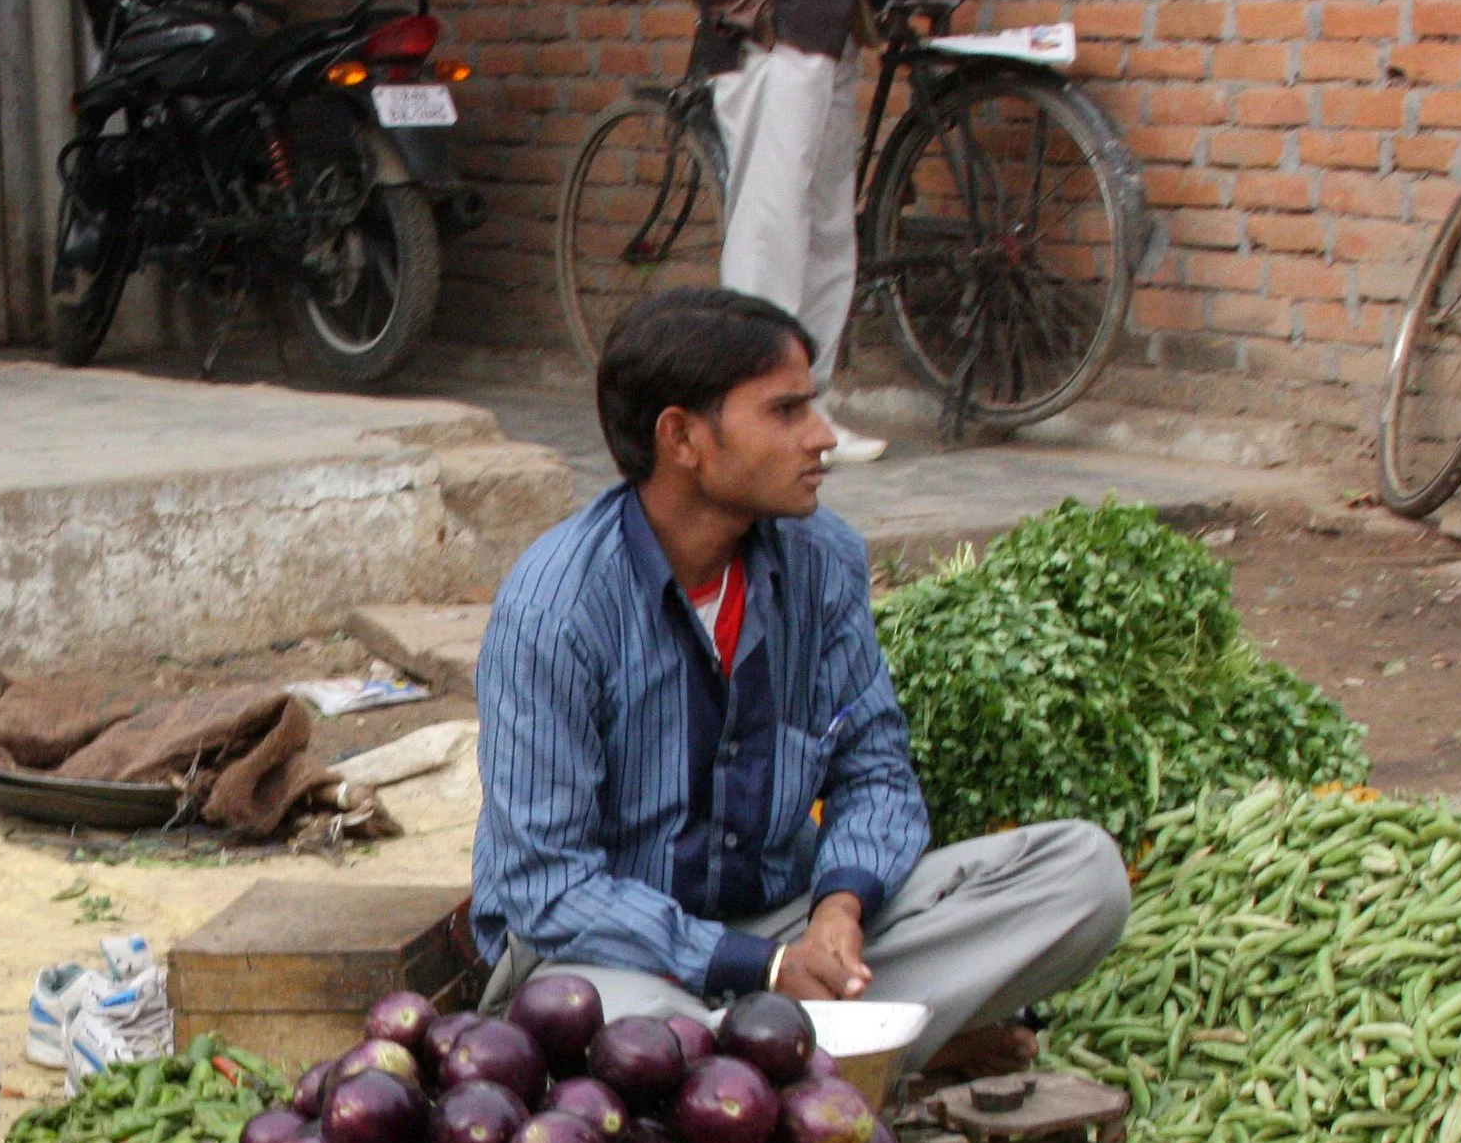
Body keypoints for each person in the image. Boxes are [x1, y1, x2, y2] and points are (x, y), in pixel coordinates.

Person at [472, 288, 1128, 1078]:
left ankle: (779, 1057)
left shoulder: (822, 559)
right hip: (614, 957)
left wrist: (837, 912)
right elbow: (550, 888)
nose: (820, 438)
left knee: (1083, 875)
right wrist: (759, 966)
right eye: (785, 413)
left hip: (785, 921)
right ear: (681, 437)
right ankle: (853, 1050)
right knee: (636, 1038)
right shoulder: (556, 608)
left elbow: (876, 768)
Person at [686, 0, 887, 465]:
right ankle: (753, 415)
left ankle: (807, 408)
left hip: (823, 31)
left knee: (826, 226)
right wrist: (760, 19)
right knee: (769, 228)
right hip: (777, 39)